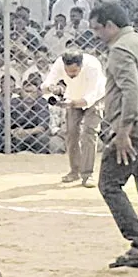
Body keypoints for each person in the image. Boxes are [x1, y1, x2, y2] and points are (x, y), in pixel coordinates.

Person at [90, 2, 138, 267]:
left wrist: (124, 131)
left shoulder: (120, 49)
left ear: (111, 25)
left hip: (133, 131)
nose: (96, 35)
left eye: (98, 29)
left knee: (109, 184)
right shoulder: (137, 41)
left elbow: (131, 91)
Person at [41, 49, 106, 187]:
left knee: (89, 132)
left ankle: (88, 174)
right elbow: (46, 85)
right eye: (67, 71)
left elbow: (92, 95)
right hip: (73, 95)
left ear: (81, 65)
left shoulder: (93, 66)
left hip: (94, 99)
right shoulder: (59, 63)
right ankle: (74, 171)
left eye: (74, 71)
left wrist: (73, 103)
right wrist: (52, 88)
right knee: (71, 133)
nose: (70, 74)